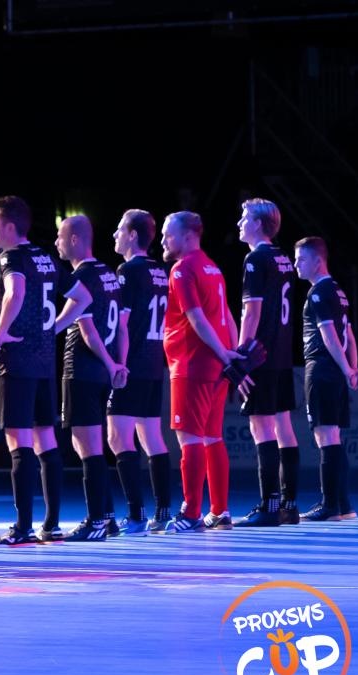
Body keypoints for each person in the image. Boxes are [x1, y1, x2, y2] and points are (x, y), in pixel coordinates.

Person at [0, 196, 90, 546]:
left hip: (17, 358)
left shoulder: (10, 257)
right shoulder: (45, 258)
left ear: (9, 227)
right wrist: (53, 329)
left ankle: (23, 527)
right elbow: (83, 298)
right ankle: (51, 524)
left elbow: (14, 292)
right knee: (46, 439)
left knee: (18, 440)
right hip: (45, 362)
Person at [160, 211, 242, 533]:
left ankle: (191, 512)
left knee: (189, 439)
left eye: (168, 234)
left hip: (192, 364)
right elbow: (226, 314)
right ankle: (219, 510)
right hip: (216, 366)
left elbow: (196, 317)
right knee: (213, 437)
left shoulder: (182, 269)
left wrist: (223, 353)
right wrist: (231, 355)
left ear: (187, 236)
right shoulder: (212, 267)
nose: (163, 240)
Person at [55, 215, 128, 541]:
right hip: (102, 372)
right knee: (93, 446)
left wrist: (48, 332)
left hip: (83, 369)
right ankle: (108, 517)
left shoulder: (81, 276)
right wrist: (118, 364)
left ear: (74, 240)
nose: (56, 243)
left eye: (59, 237)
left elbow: (87, 330)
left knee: (87, 447)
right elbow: (122, 327)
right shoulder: (108, 273)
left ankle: (95, 520)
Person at [233, 199, 300, 527]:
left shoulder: (255, 258)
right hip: (284, 354)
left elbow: (252, 311)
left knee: (261, 426)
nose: (239, 223)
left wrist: (241, 353)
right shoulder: (284, 258)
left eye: (244, 218)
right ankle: (289, 504)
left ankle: (269, 505)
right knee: (284, 425)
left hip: (261, 353)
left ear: (259, 224)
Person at [107, 209, 172, 535]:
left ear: (133, 235)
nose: (115, 235)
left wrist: (118, 364)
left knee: (118, 436)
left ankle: (136, 516)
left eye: (119, 230)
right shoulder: (160, 271)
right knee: (151, 437)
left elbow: (123, 322)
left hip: (132, 361)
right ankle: (162, 511)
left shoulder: (128, 270)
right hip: (154, 362)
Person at [294, 237, 358, 522]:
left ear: (317, 261)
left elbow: (330, 335)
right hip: (336, 370)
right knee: (335, 436)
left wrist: (346, 369)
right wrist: (352, 367)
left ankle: (329, 505)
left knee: (325, 436)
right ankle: (344, 505)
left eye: (301, 259)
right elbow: (350, 337)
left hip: (322, 368)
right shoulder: (338, 291)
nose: (296, 264)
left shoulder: (318, 292)